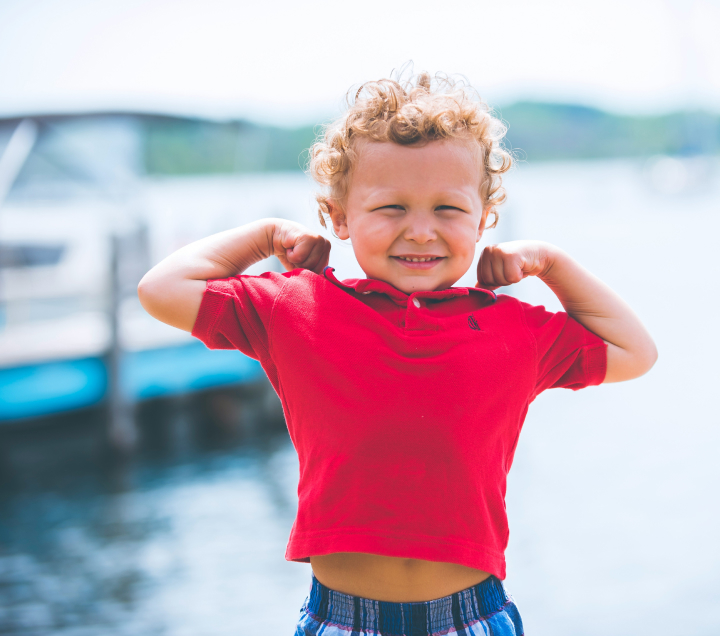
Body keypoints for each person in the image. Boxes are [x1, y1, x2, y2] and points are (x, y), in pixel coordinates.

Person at [137, 70, 657, 636]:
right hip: (341, 619)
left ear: (484, 218)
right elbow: (161, 290)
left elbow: (635, 351)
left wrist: (552, 264)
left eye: (448, 209)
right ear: (339, 216)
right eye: (391, 208)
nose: (421, 231)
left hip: (471, 616)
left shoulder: (514, 328)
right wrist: (263, 236)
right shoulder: (297, 308)